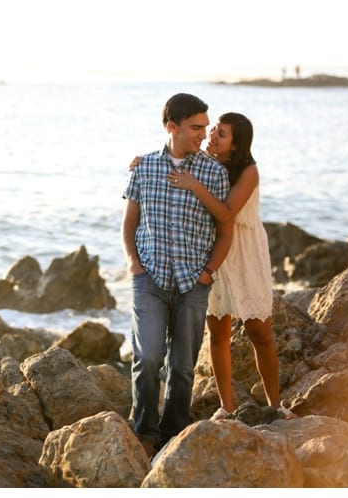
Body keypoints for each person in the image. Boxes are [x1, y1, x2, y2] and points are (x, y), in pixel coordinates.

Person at [130, 112, 295, 421]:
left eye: (221, 134)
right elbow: (171, 158)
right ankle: (226, 408)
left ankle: (276, 405)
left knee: (260, 331)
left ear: (236, 145)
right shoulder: (202, 161)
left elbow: (227, 214)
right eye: (214, 129)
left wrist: (194, 186)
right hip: (213, 250)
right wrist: (142, 164)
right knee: (217, 332)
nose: (212, 135)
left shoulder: (249, 171)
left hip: (244, 252)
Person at [122, 93, 232, 456]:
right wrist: (135, 265)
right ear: (172, 127)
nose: (204, 134)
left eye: (206, 126)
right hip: (150, 278)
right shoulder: (145, 167)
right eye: (196, 127)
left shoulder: (213, 172)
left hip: (192, 282)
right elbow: (130, 223)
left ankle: (173, 437)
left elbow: (224, 226)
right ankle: (145, 433)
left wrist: (208, 272)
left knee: (183, 367)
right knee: (148, 357)